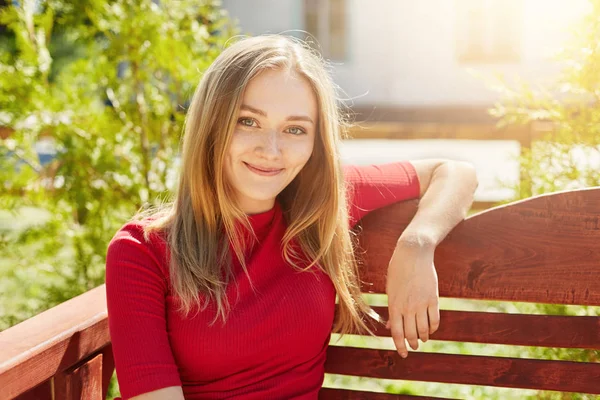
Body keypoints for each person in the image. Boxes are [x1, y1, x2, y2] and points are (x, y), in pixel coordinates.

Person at [105, 34, 478, 400]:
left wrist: (417, 243)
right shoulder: (142, 251)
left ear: (315, 143)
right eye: (248, 121)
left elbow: (454, 172)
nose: (272, 150)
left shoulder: (323, 206)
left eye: (295, 129)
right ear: (211, 124)